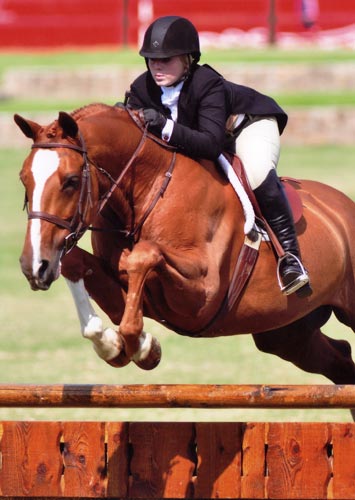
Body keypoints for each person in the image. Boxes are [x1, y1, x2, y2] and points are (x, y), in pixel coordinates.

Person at [125, 15, 311, 297]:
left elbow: (210, 145)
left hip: (246, 126)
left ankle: (291, 259)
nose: (157, 66)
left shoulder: (207, 84)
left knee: (257, 171)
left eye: (167, 59)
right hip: (202, 136)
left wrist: (164, 127)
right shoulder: (142, 89)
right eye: (151, 59)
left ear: (188, 59)